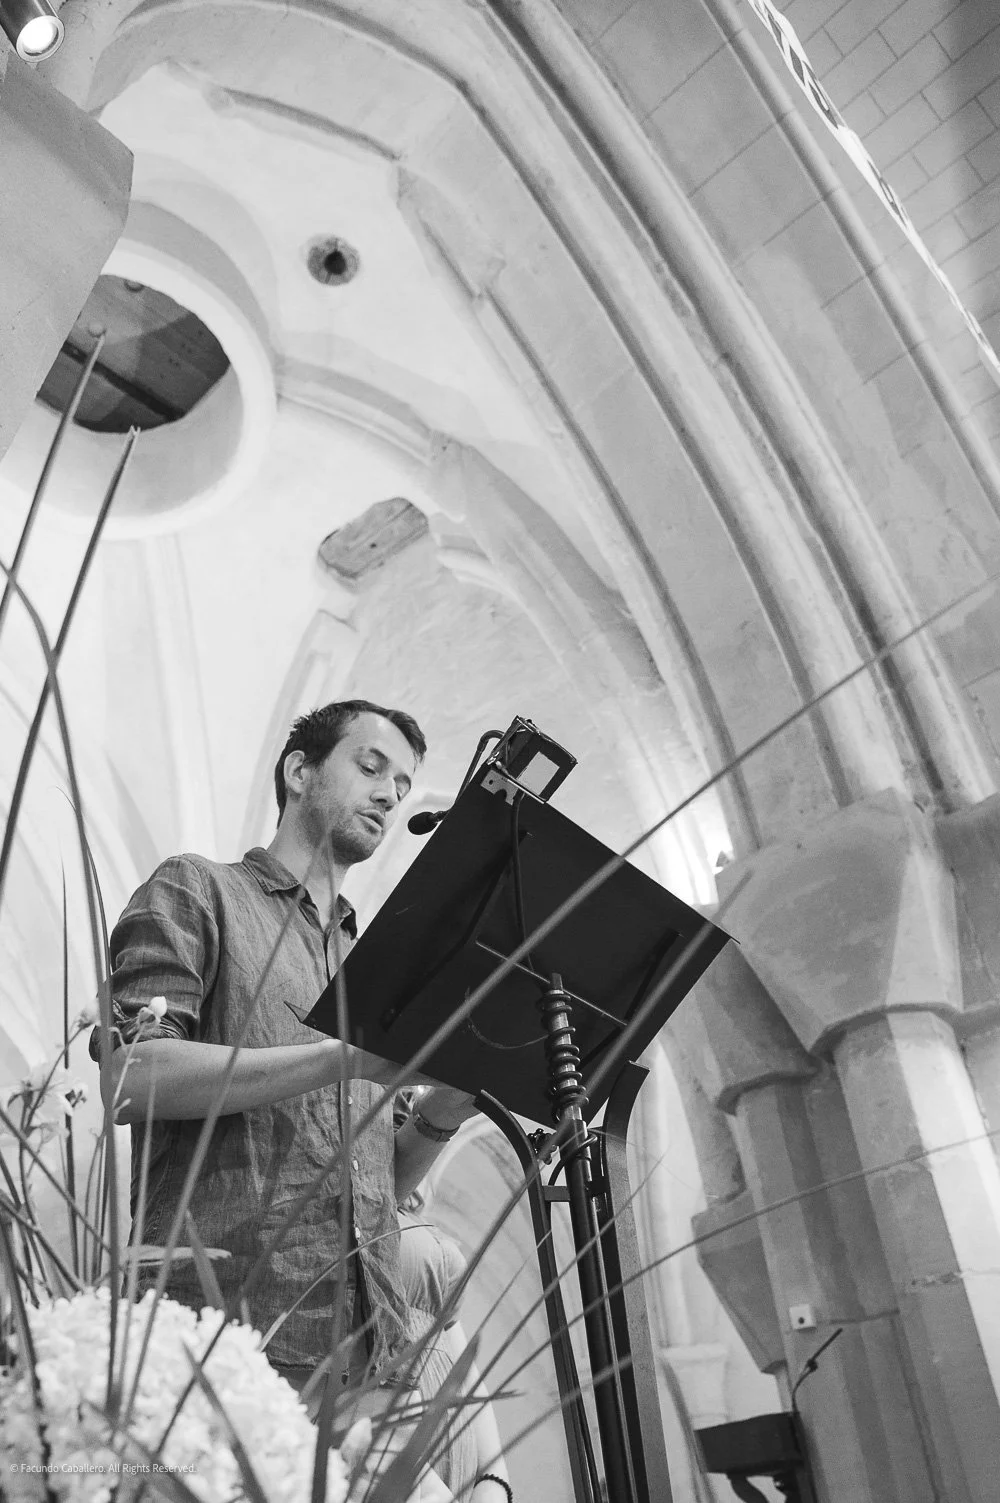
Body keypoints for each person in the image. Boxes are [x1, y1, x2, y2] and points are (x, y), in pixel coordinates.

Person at [92, 699, 479, 1409]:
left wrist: (443, 1114)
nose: (390, 795)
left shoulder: (370, 965)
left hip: (370, 1354)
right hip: (228, 1338)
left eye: (401, 784)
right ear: (299, 770)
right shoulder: (198, 888)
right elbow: (130, 1077)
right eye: (371, 766)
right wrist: (345, 1056)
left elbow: (373, 1188)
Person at [397, 1185, 513, 1503]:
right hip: (402, 1470)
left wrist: (494, 1481)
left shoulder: (409, 1214)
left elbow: (464, 1367)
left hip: (458, 1479)